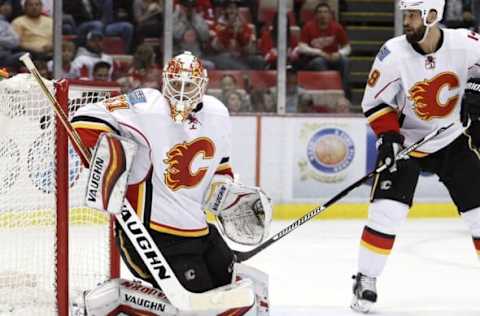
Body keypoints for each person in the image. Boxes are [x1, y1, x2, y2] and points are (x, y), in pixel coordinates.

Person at [70, 51, 270, 315]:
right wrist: (109, 158)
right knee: (197, 308)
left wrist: (227, 196)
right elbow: (83, 120)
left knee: (233, 286)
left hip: (199, 231)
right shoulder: (146, 105)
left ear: (204, 86)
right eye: (176, 84)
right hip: (151, 236)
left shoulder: (217, 113)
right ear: (165, 81)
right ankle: (111, 301)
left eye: (189, 86)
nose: (182, 93)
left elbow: (221, 167)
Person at [352, 0, 480, 313]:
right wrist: (388, 136)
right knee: (387, 212)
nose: (406, 21)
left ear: (432, 15)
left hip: (451, 139)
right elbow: (375, 102)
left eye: (412, 15)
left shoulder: (465, 43)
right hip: (407, 140)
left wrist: (476, 91)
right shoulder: (393, 52)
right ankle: (365, 279)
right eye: (405, 14)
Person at [297, 2, 351, 100]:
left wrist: (339, 53)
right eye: (320, 12)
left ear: (330, 15)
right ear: (316, 15)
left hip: (332, 57)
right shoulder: (308, 27)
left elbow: (347, 47)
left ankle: (342, 94)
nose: (323, 15)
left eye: (326, 12)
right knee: (319, 62)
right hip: (313, 59)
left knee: (345, 61)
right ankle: (328, 93)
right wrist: (320, 53)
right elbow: (301, 47)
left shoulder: (337, 27)